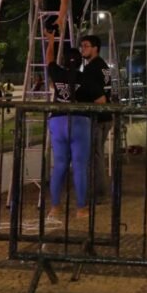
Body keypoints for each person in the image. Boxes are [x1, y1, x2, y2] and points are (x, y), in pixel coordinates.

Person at [47, 46, 104, 219]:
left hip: (58, 121)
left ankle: (55, 208)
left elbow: (49, 59)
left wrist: (51, 42)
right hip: (80, 122)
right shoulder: (86, 78)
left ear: (64, 62)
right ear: (81, 62)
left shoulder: (57, 73)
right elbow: (101, 101)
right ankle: (81, 209)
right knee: (80, 167)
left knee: (60, 165)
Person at [77, 34, 112, 203]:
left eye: (86, 46)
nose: (82, 49)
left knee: (94, 156)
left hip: (97, 117)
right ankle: (98, 191)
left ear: (95, 48)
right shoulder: (103, 65)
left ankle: (99, 193)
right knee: (96, 154)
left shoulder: (91, 69)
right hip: (105, 116)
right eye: (82, 46)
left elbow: (99, 97)